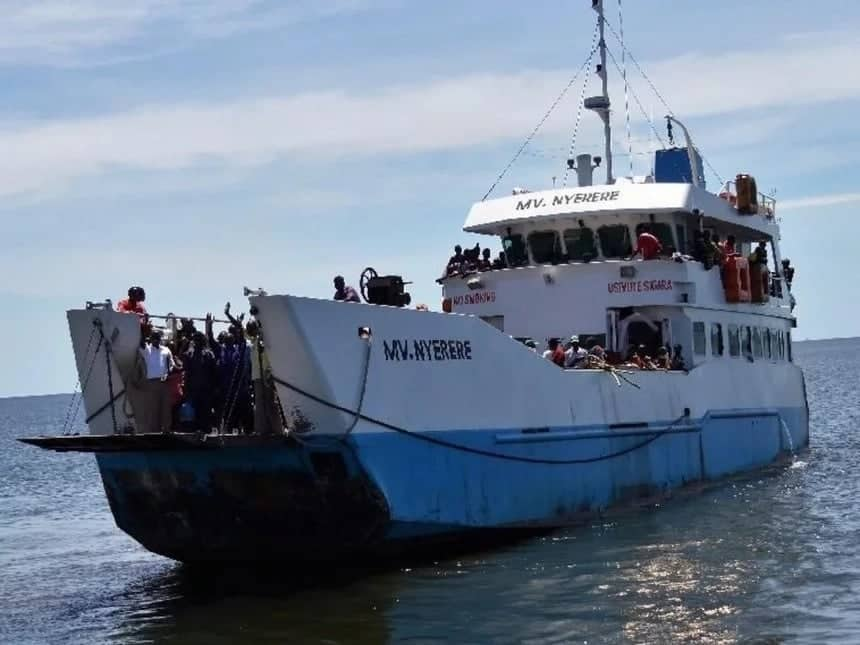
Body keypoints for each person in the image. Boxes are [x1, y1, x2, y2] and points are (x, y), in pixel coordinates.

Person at [134, 329, 176, 433]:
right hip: (152, 383)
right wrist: (144, 328)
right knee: (153, 409)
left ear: (160, 339)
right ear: (151, 339)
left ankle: (166, 430)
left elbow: (172, 365)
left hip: (165, 382)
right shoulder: (147, 350)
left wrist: (168, 372)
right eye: (154, 338)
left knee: (166, 408)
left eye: (158, 338)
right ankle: (154, 432)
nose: (156, 340)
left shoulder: (166, 350)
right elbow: (141, 342)